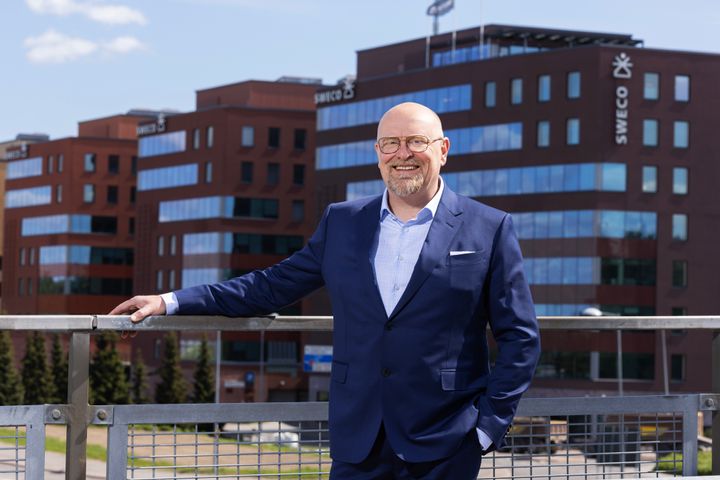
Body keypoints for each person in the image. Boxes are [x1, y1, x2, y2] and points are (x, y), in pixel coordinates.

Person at [110, 102, 540, 479]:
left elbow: (520, 337)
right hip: (359, 439)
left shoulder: (489, 226)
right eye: (390, 144)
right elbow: (270, 286)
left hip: (447, 438)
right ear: (377, 154)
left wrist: (487, 427)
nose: (402, 154)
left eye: (415, 142)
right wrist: (169, 302)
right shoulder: (343, 222)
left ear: (442, 150)